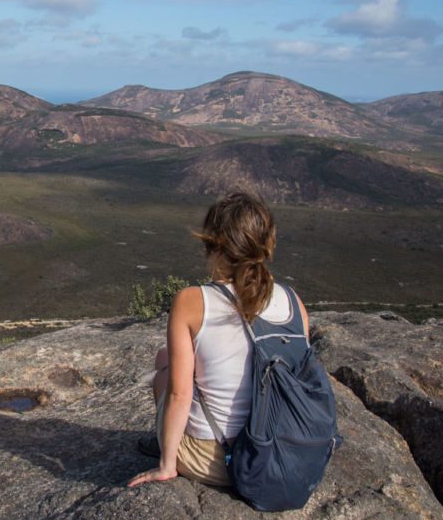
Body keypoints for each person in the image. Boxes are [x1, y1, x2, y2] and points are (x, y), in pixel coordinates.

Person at [128, 192, 309, 488]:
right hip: (282, 452)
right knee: (165, 356)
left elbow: (179, 394)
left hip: (221, 461)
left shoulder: (191, 301)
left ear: (215, 244)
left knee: (164, 374)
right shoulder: (293, 301)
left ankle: (168, 449)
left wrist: (167, 466)